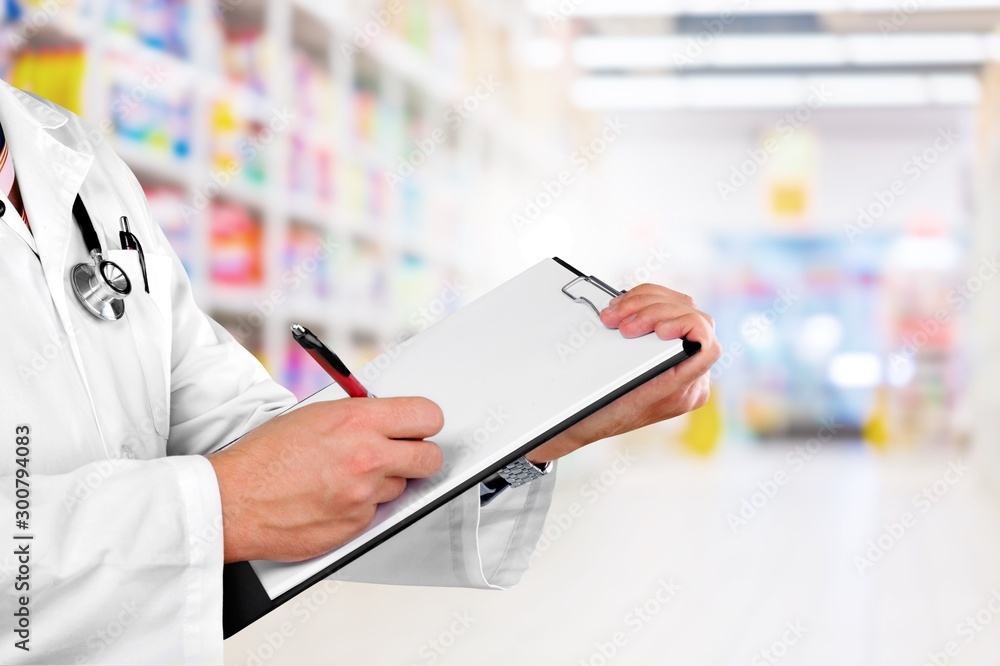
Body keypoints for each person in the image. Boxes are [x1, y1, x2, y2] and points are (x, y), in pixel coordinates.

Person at [0, 78, 721, 664]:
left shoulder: (77, 159)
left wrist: (545, 423)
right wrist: (218, 507)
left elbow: (250, 443)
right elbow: (239, 487)